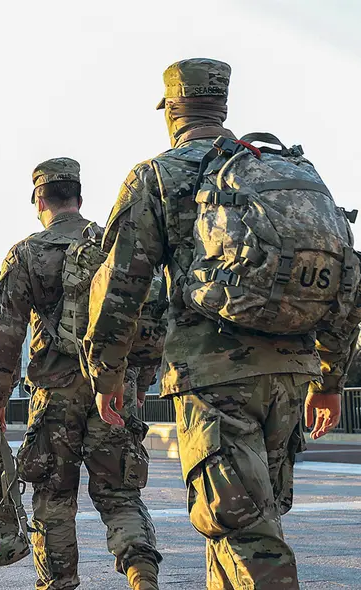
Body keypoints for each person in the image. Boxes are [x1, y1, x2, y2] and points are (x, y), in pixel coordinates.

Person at [83, 58, 361, 590]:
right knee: (246, 521)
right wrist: (328, 381)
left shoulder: (160, 175)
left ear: (171, 111)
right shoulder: (284, 174)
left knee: (243, 530)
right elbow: (345, 280)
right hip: (290, 374)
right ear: (222, 106)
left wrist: (107, 372)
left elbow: (120, 285)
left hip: (213, 378)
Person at [0, 157, 160, 590]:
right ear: (79, 197)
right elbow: (151, 317)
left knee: (54, 498)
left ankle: (58, 584)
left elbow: (6, 333)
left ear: (39, 199)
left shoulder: (27, 252)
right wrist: (138, 381)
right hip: (114, 387)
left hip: (55, 392)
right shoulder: (116, 244)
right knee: (119, 493)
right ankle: (140, 572)